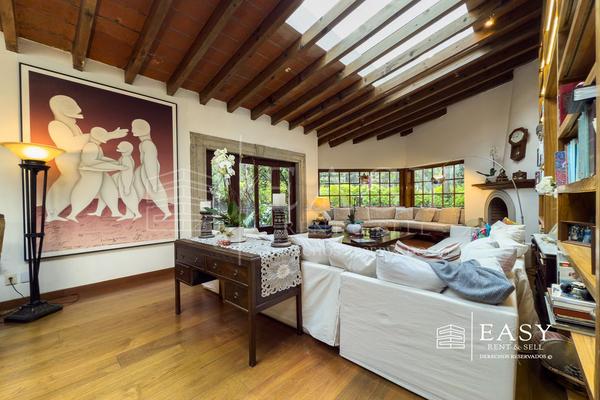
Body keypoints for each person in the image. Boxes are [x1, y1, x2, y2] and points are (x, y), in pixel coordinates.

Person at [66, 127, 127, 222]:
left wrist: (114, 163)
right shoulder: (91, 146)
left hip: (98, 171)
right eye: (104, 135)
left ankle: (114, 211)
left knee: (109, 189)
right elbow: (90, 162)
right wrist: (116, 166)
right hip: (91, 173)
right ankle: (72, 214)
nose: (106, 137)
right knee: (86, 192)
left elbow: (100, 158)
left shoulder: (96, 146)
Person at [132, 119, 171, 220]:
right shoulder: (143, 144)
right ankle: (133, 211)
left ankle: (166, 212)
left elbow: (151, 162)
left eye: (134, 128)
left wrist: (153, 181)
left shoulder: (147, 144)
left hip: (148, 168)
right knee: (138, 189)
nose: (132, 130)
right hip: (144, 168)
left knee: (155, 190)